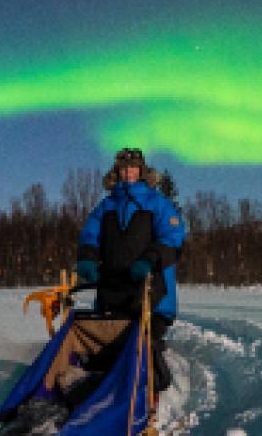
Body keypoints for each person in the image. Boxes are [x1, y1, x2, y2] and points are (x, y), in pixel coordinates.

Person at [75, 147, 185, 389]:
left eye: (133, 168)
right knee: (107, 344)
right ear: (117, 172)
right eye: (124, 169)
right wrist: (88, 257)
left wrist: (149, 259)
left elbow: (172, 236)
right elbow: (90, 234)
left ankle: (150, 376)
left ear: (142, 171)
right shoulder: (106, 206)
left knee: (141, 339)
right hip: (112, 291)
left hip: (151, 292)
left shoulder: (157, 202)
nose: (128, 173)